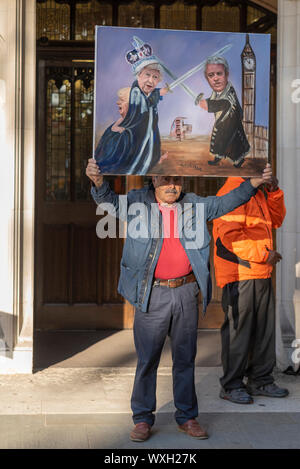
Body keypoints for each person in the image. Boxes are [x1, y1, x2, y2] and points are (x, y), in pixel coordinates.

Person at [86, 158, 272, 441]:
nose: (172, 185)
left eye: (177, 180)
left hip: (185, 292)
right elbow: (109, 201)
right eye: (165, 179)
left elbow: (227, 202)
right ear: (153, 180)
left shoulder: (195, 205)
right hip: (152, 293)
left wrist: (254, 183)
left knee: (185, 359)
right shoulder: (139, 203)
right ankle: (143, 418)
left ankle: (187, 416)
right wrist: (98, 182)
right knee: (147, 359)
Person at [212, 175, 289, 404]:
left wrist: (274, 191)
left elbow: (277, 220)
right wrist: (265, 255)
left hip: (260, 271)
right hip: (240, 273)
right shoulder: (233, 190)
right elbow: (229, 237)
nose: (265, 167)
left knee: (263, 332)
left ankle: (260, 380)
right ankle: (231, 385)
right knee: (238, 333)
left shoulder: (257, 190)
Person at [94, 55, 169, 175]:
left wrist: (158, 92)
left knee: (150, 148)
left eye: (155, 77)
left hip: (147, 130)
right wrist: (159, 92)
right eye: (147, 75)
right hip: (133, 130)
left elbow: (150, 101)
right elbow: (142, 106)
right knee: (131, 155)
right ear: (139, 75)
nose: (151, 80)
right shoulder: (135, 92)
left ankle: (153, 158)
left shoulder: (147, 93)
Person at [198, 56, 250, 168]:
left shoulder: (229, 92)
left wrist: (208, 105)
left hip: (232, 124)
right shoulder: (217, 92)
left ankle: (238, 161)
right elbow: (214, 101)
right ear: (207, 78)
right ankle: (218, 158)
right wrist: (205, 102)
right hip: (223, 124)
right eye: (211, 75)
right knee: (220, 142)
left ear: (226, 74)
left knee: (234, 144)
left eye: (219, 74)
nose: (215, 78)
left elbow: (225, 104)